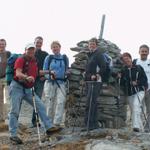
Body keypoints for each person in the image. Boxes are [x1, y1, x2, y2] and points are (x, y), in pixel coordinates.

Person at [8, 43, 60, 144]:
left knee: (40, 105)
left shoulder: (34, 61)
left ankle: (48, 128)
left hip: (27, 89)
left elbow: (37, 73)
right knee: (14, 111)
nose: (31, 51)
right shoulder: (20, 59)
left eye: (32, 50)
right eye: (29, 50)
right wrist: (26, 77)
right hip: (17, 87)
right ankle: (13, 135)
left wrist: (49, 72)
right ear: (25, 50)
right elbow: (18, 73)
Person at [119, 52, 148, 132]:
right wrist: (120, 77)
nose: (126, 61)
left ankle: (135, 127)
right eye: (124, 60)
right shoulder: (123, 70)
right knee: (134, 110)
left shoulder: (138, 68)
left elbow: (144, 80)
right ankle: (140, 128)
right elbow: (122, 83)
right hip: (130, 93)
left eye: (127, 58)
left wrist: (137, 82)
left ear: (130, 59)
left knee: (136, 106)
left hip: (139, 90)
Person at [43, 41, 69, 127]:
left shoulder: (65, 58)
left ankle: (57, 122)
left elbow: (67, 70)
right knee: (50, 102)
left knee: (61, 102)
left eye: (56, 47)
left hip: (61, 82)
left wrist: (67, 73)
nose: (55, 48)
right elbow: (45, 71)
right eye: (53, 47)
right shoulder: (48, 58)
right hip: (50, 83)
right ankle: (48, 122)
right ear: (51, 49)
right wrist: (50, 76)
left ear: (60, 47)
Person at [84, 38, 106, 130]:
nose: (91, 46)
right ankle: (91, 124)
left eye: (93, 44)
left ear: (96, 45)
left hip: (96, 82)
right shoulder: (90, 55)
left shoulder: (98, 54)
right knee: (91, 102)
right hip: (89, 81)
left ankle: (90, 125)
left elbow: (103, 67)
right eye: (90, 44)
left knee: (91, 102)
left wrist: (97, 75)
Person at [31, 36, 48, 127]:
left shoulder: (45, 54)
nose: (38, 44)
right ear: (34, 42)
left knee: (37, 100)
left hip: (40, 81)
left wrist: (45, 76)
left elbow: (49, 67)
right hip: (29, 80)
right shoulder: (30, 53)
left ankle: (35, 121)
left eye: (40, 42)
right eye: (37, 42)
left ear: (42, 43)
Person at [133, 44, 150, 132]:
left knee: (149, 109)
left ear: (148, 52)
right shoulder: (135, 62)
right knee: (138, 107)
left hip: (149, 89)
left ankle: (147, 127)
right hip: (138, 89)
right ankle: (138, 126)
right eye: (142, 51)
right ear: (139, 52)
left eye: (145, 51)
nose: (144, 53)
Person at [0, 39, 11, 121]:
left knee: (8, 98)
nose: (1, 45)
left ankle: (9, 117)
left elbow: (11, 64)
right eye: (0, 44)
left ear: (5, 45)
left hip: (6, 78)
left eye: (3, 44)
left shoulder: (8, 54)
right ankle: (1, 117)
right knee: (0, 99)